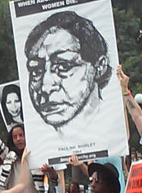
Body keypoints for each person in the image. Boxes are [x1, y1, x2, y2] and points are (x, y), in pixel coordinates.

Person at [22, 11, 114, 141]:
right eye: (36, 71)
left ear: (99, 67)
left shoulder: (114, 133)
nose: (45, 87)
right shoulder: (42, 148)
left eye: (63, 67)